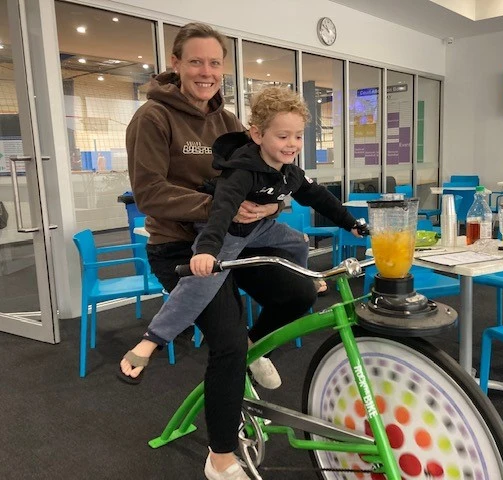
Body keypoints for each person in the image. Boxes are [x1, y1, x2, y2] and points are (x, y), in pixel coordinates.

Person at [123, 23, 317, 480]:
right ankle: (221, 457)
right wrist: (219, 206)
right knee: (226, 344)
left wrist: (272, 203)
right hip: (178, 246)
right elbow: (148, 193)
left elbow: (266, 173)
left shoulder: (228, 122)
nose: (206, 72)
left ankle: (252, 345)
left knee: (299, 293)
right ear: (176, 63)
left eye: (214, 62)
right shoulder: (152, 118)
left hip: (237, 238)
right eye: (195, 61)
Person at [119, 87, 360, 390]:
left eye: (298, 136)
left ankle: (304, 282)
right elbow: (220, 213)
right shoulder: (241, 172)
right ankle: (151, 340)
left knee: (298, 241)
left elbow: (320, 198)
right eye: (283, 136)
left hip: (257, 228)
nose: (292, 144)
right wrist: (207, 250)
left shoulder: (290, 172)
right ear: (258, 135)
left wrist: (351, 223)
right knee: (203, 281)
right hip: (226, 230)